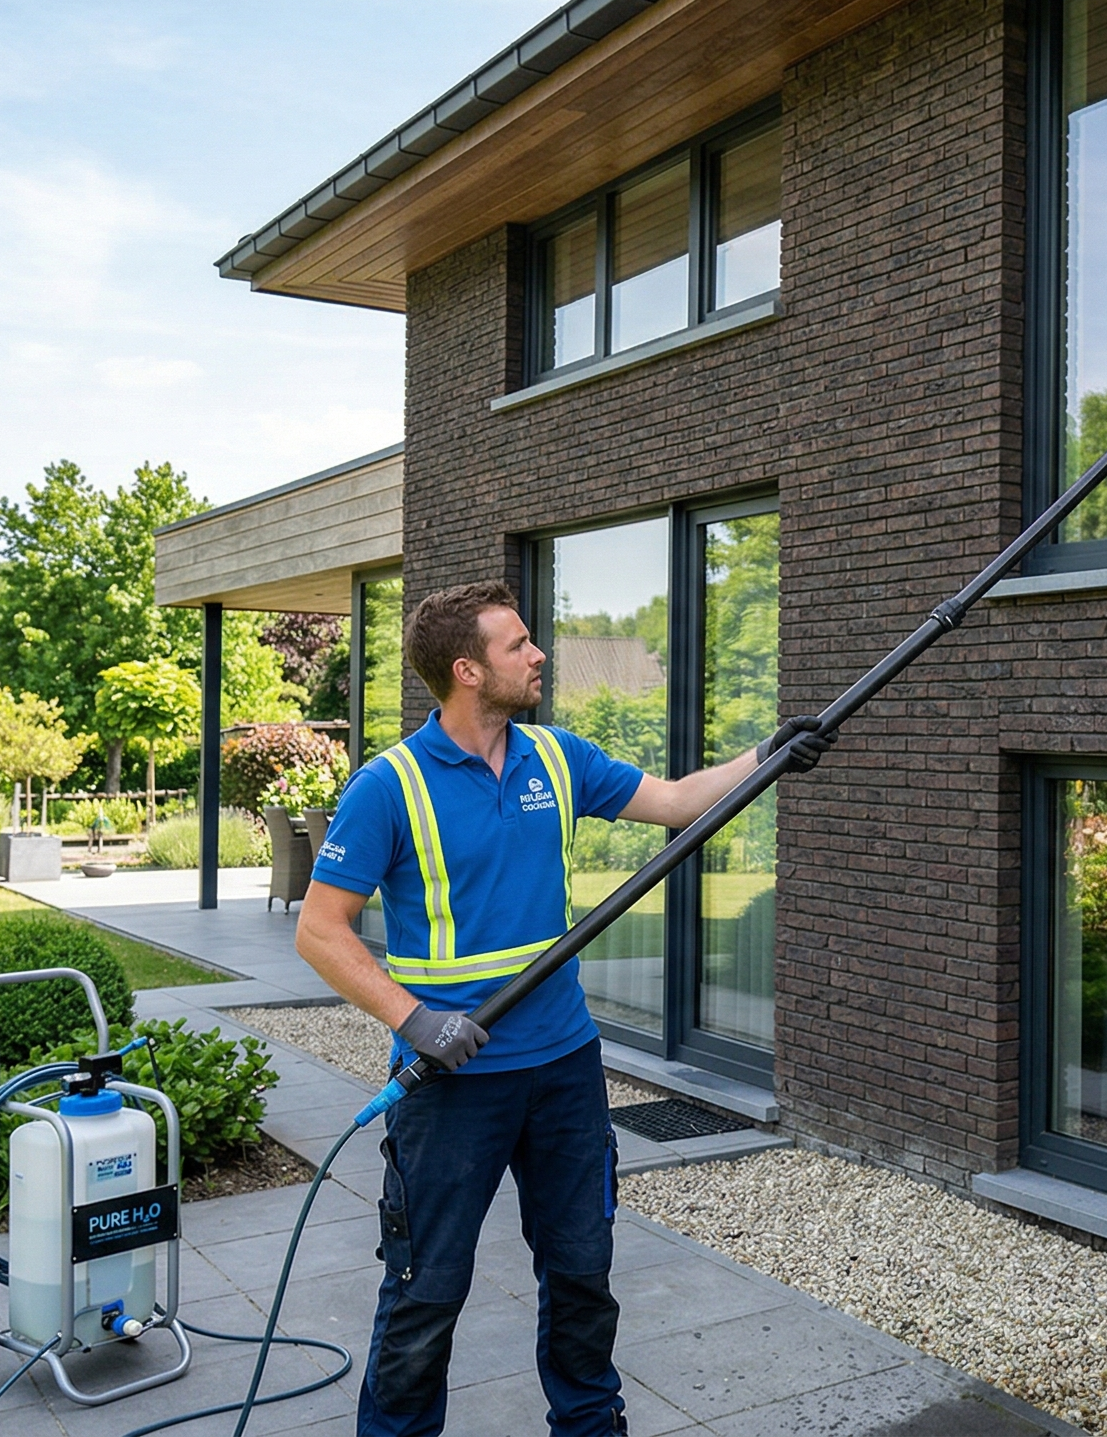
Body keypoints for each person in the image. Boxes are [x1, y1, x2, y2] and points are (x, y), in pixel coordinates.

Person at [297, 580, 831, 1437]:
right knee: (426, 1289)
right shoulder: (388, 787)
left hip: (564, 1071)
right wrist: (414, 1021)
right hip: (450, 1084)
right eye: (518, 645)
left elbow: (676, 800)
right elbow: (322, 932)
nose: (539, 653)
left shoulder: (554, 757)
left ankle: (590, 1428)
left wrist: (768, 753)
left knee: (583, 1271)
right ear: (467, 670)